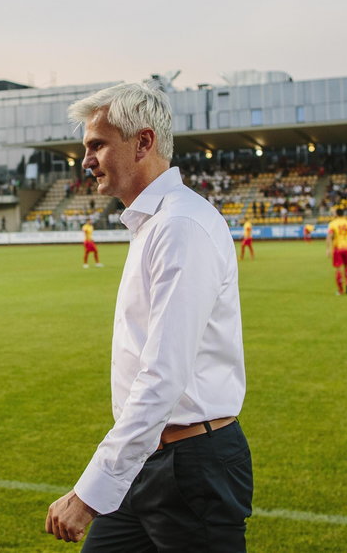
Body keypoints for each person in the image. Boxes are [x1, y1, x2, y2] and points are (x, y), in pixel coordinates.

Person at [45, 81, 251, 550]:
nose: (86, 159)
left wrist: (91, 491)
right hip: (148, 460)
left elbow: (163, 373)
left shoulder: (179, 225)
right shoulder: (156, 223)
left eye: (97, 144)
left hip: (190, 468)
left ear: (143, 142)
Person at [326, 208, 347, 295]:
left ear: (336, 214)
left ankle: (341, 290)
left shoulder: (333, 224)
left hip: (338, 248)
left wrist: (328, 249)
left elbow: (329, 237)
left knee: (338, 269)